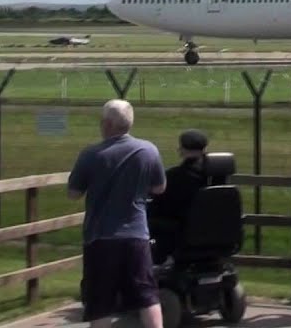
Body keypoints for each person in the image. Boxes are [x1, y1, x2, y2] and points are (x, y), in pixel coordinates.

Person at [67, 99, 168, 328]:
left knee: (100, 301)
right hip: (137, 235)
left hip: (101, 237)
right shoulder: (148, 150)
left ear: (108, 124)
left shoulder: (91, 154)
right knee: (147, 295)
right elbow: (159, 187)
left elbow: (73, 193)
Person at [147, 129, 211, 263]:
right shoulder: (215, 179)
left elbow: (159, 204)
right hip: (208, 232)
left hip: (182, 232)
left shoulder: (175, 177)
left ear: (182, 150)